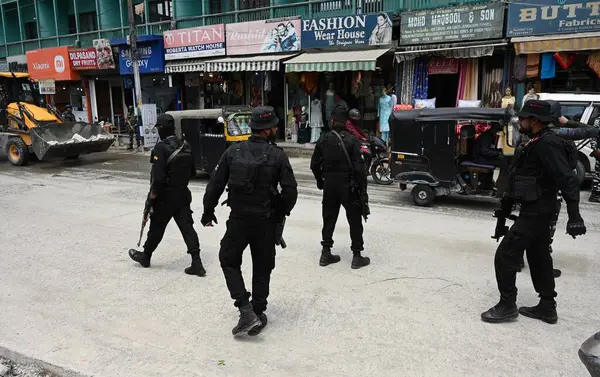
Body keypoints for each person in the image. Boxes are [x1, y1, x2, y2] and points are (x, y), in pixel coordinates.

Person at [481, 100, 586, 325]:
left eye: (524, 118)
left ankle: (507, 304)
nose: (520, 122)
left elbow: (567, 179)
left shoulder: (547, 144)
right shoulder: (538, 140)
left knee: (506, 255)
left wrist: (575, 216)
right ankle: (547, 307)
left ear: (535, 121)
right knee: (538, 257)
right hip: (537, 208)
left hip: (537, 211)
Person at [201, 106, 298, 337]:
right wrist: (279, 213)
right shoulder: (277, 155)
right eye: (274, 126)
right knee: (262, 266)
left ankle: (245, 308)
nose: (275, 128)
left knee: (228, 260)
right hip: (265, 221)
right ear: (267, 130)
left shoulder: (233, 152)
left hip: (239, 220)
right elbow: (290, 191)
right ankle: (255, 311)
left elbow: (215, 184)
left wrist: (208, 211)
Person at [128, 114, 206, 277]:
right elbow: (192, 172)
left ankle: (146, 256)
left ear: (161, 129)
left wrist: (152, 197)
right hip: (183, 194)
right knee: (187, 228)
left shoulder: (161, 148)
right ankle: (197, 262)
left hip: (166, 197)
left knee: (156, 227)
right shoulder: (186, 145)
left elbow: (158, 177)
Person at [311, 106, 370, 269]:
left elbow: (314, 164)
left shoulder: (324, 139)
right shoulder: (352, 140)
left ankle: (325, 253)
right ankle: (357, 256)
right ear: (347, 122)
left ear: (333, 121)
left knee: (328, 219)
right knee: (354, 221)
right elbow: (359, 170)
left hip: (330, 185)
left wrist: (320, 181)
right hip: (349, 186)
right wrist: (362, 191)